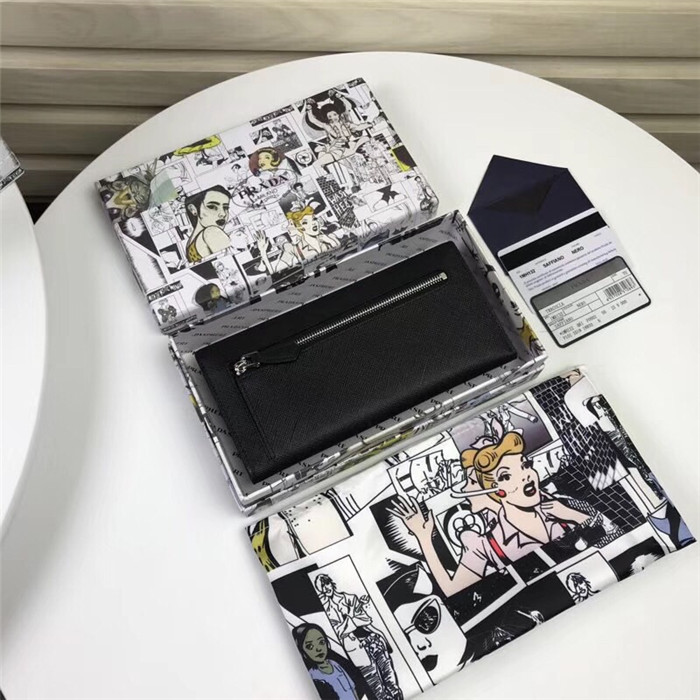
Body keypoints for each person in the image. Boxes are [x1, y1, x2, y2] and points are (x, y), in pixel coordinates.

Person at [390, 429, 616, 598]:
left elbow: (614, 532)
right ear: (494, 490)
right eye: (507, 476)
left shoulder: (562, 506)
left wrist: (571, 515)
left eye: (525, 465)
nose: (527, 475)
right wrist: (424, 538)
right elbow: (451, 590)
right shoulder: (484, 546)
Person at [315, 575, 402, 700]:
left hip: (373, 640)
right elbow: (339, 632)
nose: (325, 588)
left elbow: (366, 619)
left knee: (391, 682)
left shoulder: (350, 598)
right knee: (377, 688)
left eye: (326, 583)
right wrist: (352, 618)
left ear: (331, 583)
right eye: (322, 587)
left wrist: (348, 623)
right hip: (356, 650)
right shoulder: (328, 610)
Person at [293, 623, 362, 700]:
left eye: (321, 642)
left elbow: (352, 688)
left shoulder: (334, 664)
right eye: (310, 646)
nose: (318, 649)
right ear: (302, 652)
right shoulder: (313, 676)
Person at [183, 185, 232, 263]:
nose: (223, 214)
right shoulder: (211, 232)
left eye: (225, 208)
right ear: (193, 209)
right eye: (212, 207)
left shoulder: (189, 244)